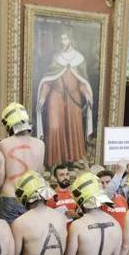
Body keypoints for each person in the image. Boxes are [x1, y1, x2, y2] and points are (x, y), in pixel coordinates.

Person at [36, 31, 94, 165]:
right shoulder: (56, 58)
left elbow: (82, 82)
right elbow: (48, 80)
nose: (63, 42)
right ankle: (55, 161)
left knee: (74, 126)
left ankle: (74, 159)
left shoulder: (79, 58)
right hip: (55, 96)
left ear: (71, 40)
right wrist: (42, 98)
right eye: (61, 39)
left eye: (66, 38)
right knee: (54, 127)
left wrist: (87, 96)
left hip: (74, 97)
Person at [0, 102, 45, 224]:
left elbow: (0, 181)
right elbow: (38, 174)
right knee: (28, 240)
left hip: (10, 197)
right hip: (31, 199)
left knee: (8, 240)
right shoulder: (40, 144)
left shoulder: (2, 145)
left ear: (8, 124)